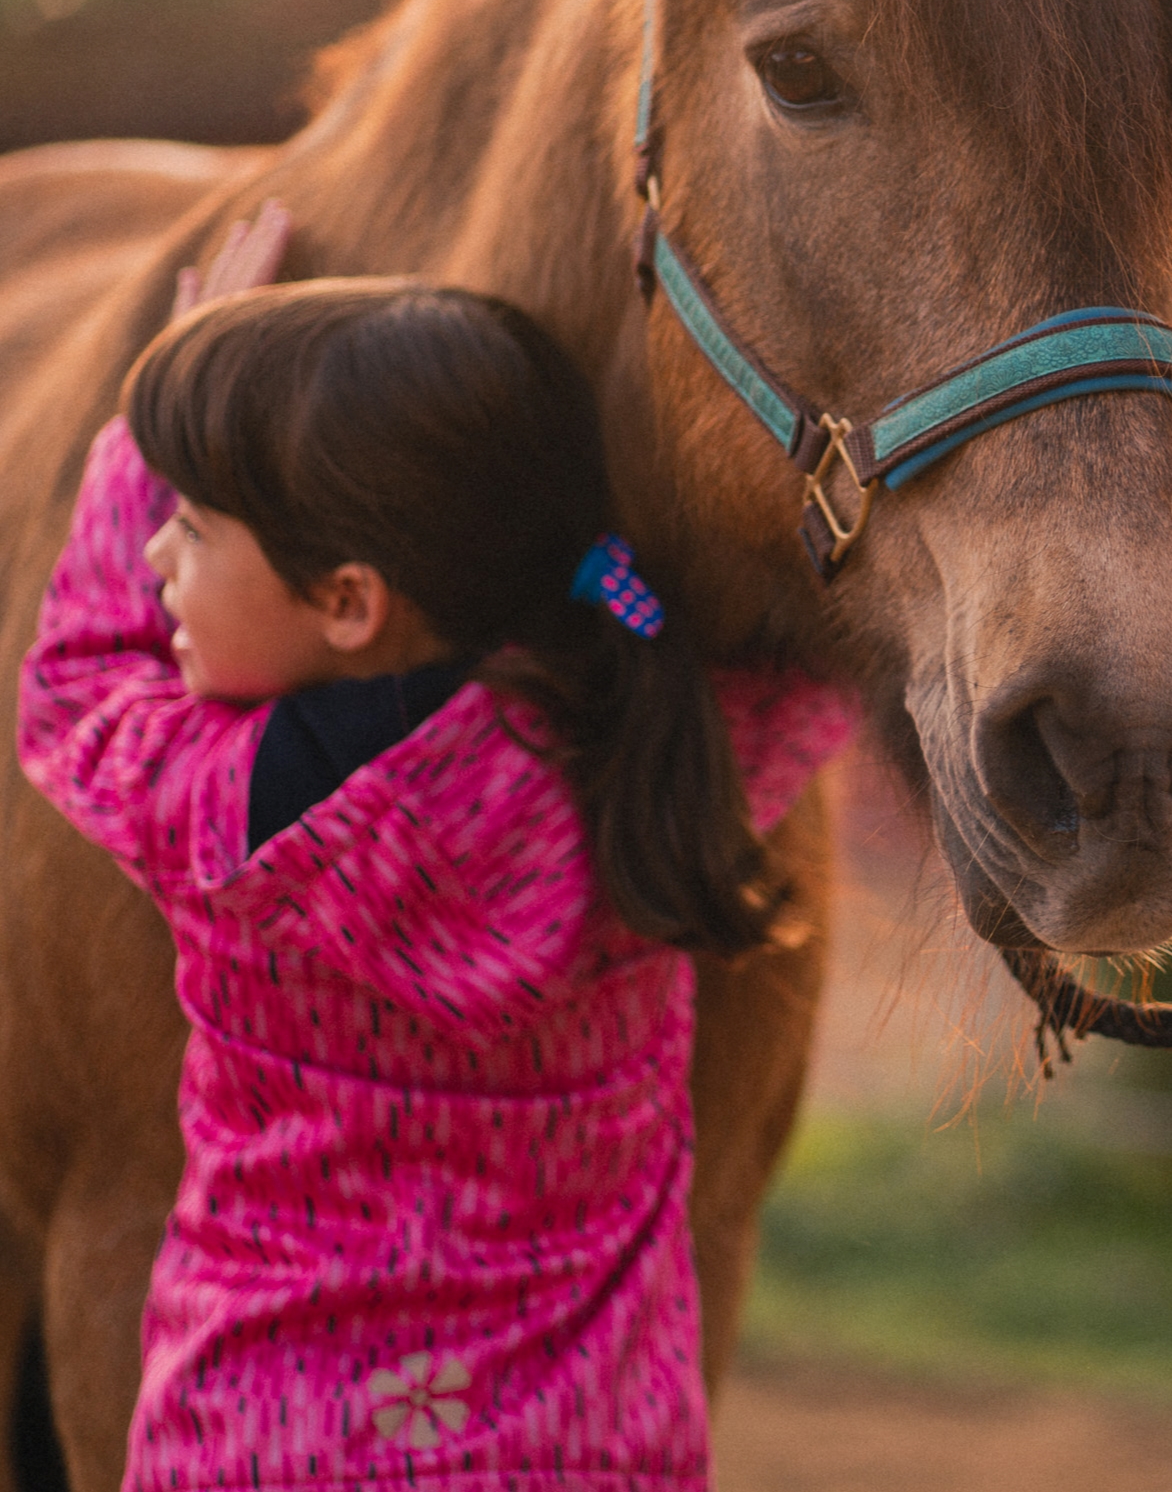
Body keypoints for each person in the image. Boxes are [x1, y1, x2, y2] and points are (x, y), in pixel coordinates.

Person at [17, 207, 855, 1491]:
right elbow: (824, 669)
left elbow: (74, 685)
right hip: (586, 1451)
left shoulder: (224, 808)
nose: (157, 553)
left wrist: (141, 431)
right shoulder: (655, 759)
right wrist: (615, 570)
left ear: (350, 603)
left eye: (193, 525)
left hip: (264, 1442)